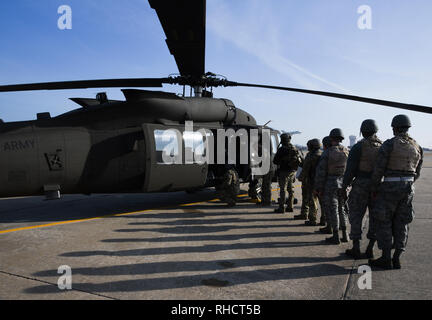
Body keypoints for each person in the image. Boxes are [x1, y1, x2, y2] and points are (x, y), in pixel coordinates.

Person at [368, 115, 423, 269]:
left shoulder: (390, 144)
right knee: (402, 222)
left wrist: (374, 187)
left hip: (389, 188)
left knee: (384, 221)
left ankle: (386, 258)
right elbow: (417, 171)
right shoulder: (417, 146)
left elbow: (379, 168)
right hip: (408, 188)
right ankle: (397, 257)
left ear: (396, 128)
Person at [342, 120, 382, 259]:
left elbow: (350, 170)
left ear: (363, 131)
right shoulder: (383, 147)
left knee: (356, 216)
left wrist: (344, 186)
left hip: (361, 185)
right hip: (378, 186)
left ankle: (356, 248)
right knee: (375, 218)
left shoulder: (359, 147)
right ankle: (370, 248)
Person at [314, 128, 349, 244]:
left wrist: (318, 187)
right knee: (342, 208)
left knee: (333, 209)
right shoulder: (346, 151)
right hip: (342, 183)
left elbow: (321, 171)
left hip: (331, 182)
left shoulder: (328, 152)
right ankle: (345, 234)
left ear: (331, 138)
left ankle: (335, 236)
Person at [295, 139, 322, 226]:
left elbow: (306, 168)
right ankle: (324, 219)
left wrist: (301, 178)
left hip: (311, 180)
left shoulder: (310, 156)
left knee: (311, 199)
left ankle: (312, 218)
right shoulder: (322, 154)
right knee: (321, 201)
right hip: (320, 180)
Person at [273, 133, 300, 213]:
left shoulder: (282, 149)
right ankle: (290, 206)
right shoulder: (294, 148)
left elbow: (275, 161)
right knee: (291, 189)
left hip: (284, 172)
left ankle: (281, 208)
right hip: (292, 172)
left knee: (283, 190)